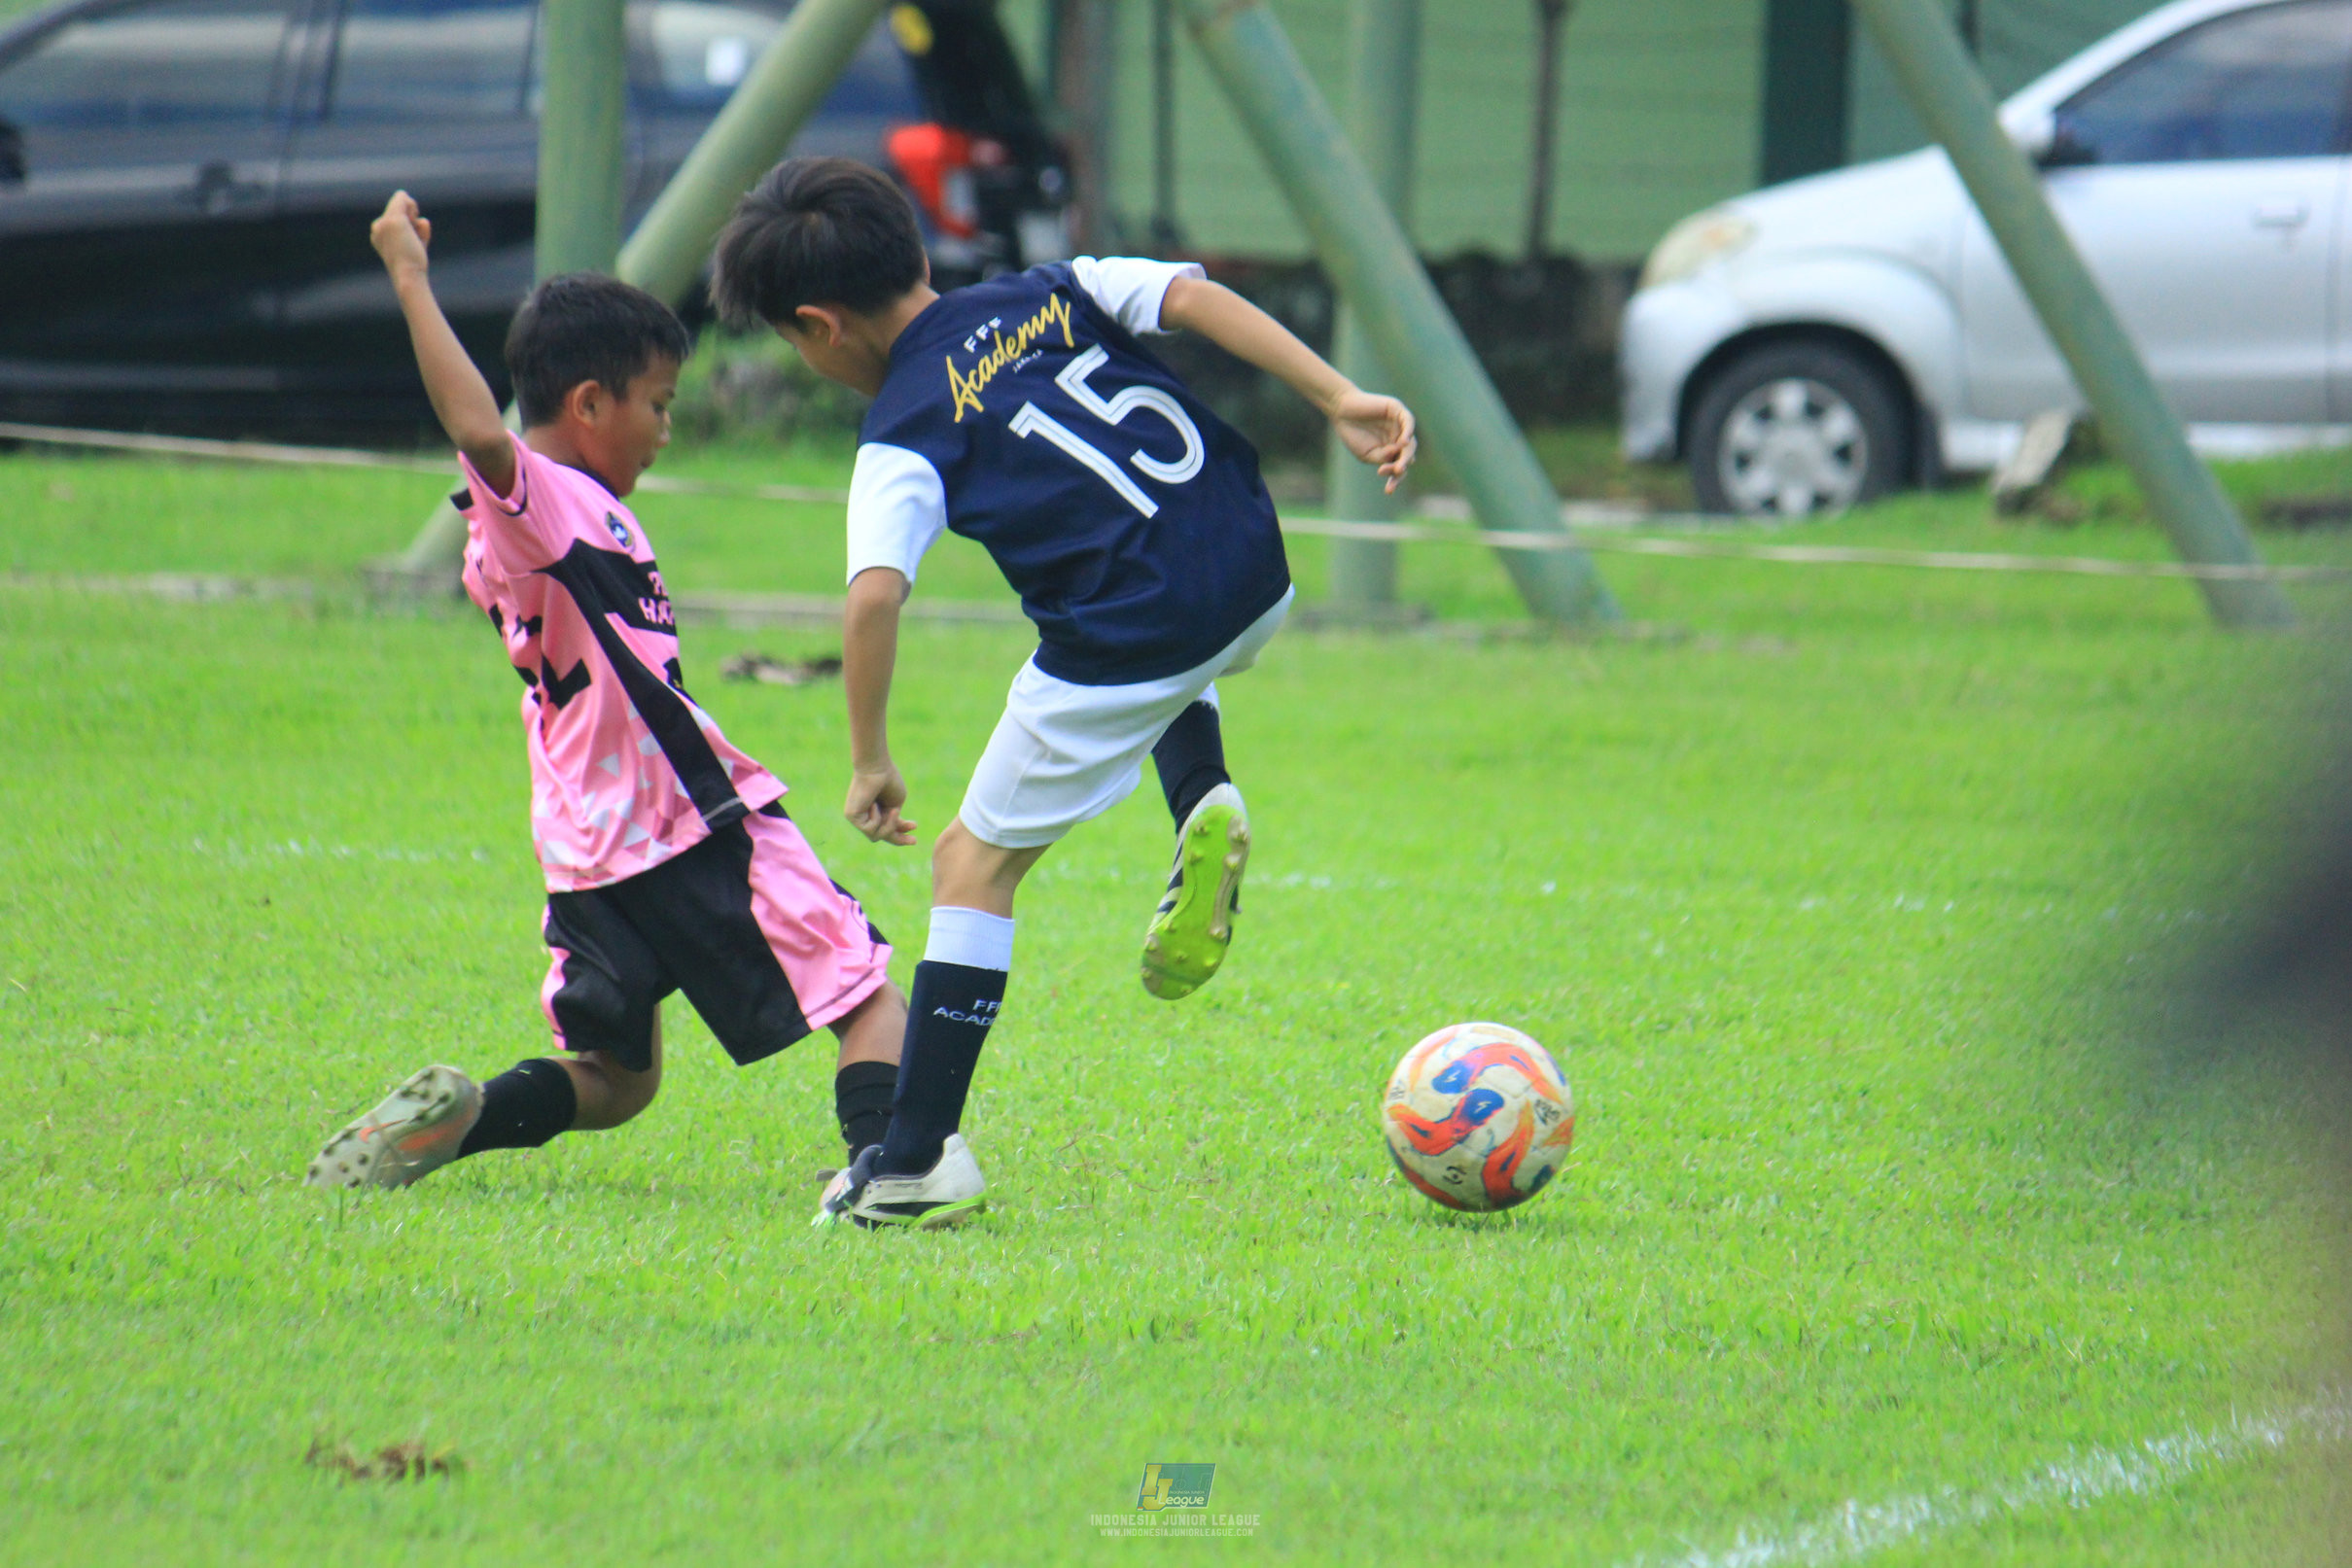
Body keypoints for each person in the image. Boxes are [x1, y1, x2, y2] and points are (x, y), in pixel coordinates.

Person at [708, 157, 1417, 1229]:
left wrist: (869, 758)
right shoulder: (1047, 286)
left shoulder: (901, 426)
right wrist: (1340, 397)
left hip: (1137, 631)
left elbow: (873, 597)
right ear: (910, 249)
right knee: (1151, 628)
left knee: (969, 865)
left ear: (817, 325)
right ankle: (1200, 789)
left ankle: (913, 1160)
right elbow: (1193, 297)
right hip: (1249, 560)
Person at [305, 191, 906, 1192]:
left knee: (620, 1082)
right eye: (658, 404)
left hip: (587, 845)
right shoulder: (542, 500)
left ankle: (464, 1119)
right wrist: (409, 274)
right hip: (685, 818)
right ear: (588, 404)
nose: (667, 429)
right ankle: (888, 1174)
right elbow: (481, 434)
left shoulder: (560, 514)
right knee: (868, 993)